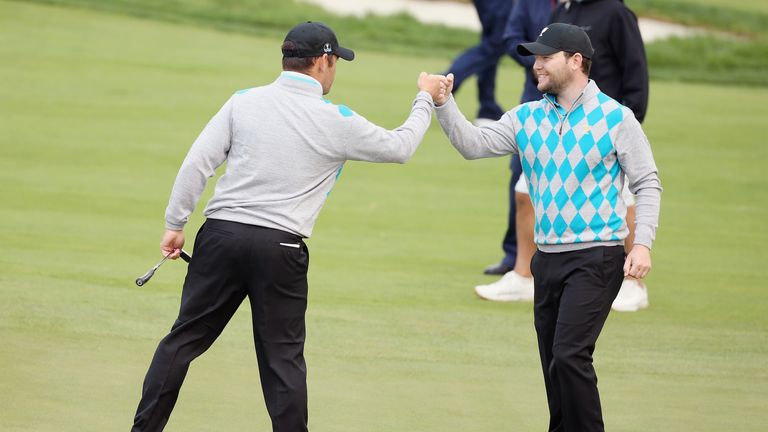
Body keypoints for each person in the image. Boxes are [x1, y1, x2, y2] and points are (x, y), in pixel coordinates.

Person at [131, 21, 447, 432]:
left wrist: (175, 224)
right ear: (322, 61)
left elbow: (197, 164)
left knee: (183, 341)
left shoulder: (242, 101)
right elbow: (401, 147)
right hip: (281, 248)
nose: (335, 70)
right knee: (282, 362)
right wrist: (425, 98)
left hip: (221, 235)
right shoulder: (337, 119)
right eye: (335, 62)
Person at [431, 23, 662, 432]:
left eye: (545, 57)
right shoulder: (526, 117)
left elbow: (647, 183)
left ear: (576, 62)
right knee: (554, 363)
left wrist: (641, 244)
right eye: (535, 57)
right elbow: (472, 144)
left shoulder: (616, 118)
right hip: (547, 259)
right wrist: (445, 103)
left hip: (597, 255)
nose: (536, 65)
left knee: (570, 355)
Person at [478, 0, 652, 313]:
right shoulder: (563, 11)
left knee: (624, 202)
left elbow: (634, 66)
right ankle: (522, 273)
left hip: (603, 131)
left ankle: (632, 282)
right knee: (523, 193)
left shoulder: (615, 12)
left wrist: (631, 120)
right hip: (556, 125)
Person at [475, 0, 557, 300]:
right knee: (520, 179)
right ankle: (515, 257)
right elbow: (511, 39)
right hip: (533, 96)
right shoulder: (529, 2)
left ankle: (549, 259)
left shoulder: (586, 9)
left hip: (574, 103)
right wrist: (540, 63)